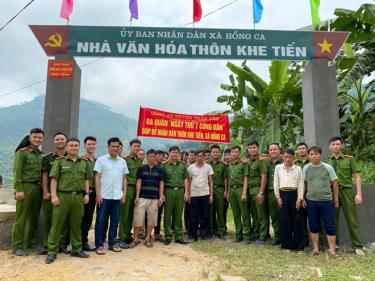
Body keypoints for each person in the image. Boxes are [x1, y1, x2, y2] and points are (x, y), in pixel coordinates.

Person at [45, 138, 92, 264]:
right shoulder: (59, 162)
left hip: (78, 197)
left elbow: (87, 179)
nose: (74, 147)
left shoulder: (84, 162)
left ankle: (76, 249)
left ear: (79, 147)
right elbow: (54, 179)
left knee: (76, 225)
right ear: (66, 147)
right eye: (71, 145)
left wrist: (87, 193)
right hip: (62, 196)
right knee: (57, 224)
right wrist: (54, 196)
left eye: (76, 145)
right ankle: (52, 251)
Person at [325, 136, 364, 255]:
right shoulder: (326, 161)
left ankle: (357, 245)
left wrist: (359, 193)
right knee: (332, 219)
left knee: (352, 219)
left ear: (342, 146)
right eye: (333, 144)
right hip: (331, 193)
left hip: (346, 191)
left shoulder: (349, 160)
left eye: (338, 144)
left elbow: (357, 176)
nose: (336, 146)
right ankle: (334, 244)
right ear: (329, 147)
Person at [303, 146, 340, 258]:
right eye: (311, 154)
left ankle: (332, 250)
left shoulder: (328, 167)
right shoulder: (306, 168)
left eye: (316, 154)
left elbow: (335, 183)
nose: (314, 156)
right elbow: (304, 184)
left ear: (320, 155)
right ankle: (315, 249)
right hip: (311, 201)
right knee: (313, 225)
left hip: (327, 201)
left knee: (330, 225)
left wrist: (336, 199)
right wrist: (303, 198)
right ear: (308, 156)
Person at [12, 128, 44, 256]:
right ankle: (17, 246)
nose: (37, 139)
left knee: (34, 218)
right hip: (25, 187)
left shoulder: (41, 155)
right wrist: (18, 189)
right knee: (21, 218)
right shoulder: (22, 153)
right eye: (35, 137)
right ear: (30, 138)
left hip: (37, 188)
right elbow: (17, 172)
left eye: (40, 137)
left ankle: (30, 243)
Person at [94, 137, 128, 255]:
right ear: (108, 147)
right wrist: (98, 194)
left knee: (115, 221)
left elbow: (124, 179)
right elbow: (97, 177)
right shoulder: (101, 160)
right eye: (112, 146)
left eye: (117, 146)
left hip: (117, 197)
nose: (115, 148)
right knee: (100, 221)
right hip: (104, 197)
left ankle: (112, 243)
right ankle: (99, 245)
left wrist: (124, 194)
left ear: (119, 147)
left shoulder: (123, 162)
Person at [41, 132, 67, 255]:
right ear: (54, 142)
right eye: (57, 139)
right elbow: (45, 176)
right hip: (51, 194)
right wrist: (46, 192)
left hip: (65, 194)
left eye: (62, 139)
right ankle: (48, 244)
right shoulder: (47, 158)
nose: (60, 141)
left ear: (66, 141)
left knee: (64, 220)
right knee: (49, 219)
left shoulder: (72, 156)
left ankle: (62, 244)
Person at [131, 149, 165, 248]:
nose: (152, 158)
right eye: (150, 156)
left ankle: (147, 238)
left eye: (154, 157)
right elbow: (138, 182)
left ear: (156, 157)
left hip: (154, 198)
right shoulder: (141, 168)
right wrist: (137, 196)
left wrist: (161, 196)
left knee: (151, 220)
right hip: (142, 197)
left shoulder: (159, 170)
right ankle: (135, 238)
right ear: (147, 157)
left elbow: (161, 183)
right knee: (138, 218)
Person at [274, 149, 304, 251]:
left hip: (294, 194)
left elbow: (300, 184)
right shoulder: (278, 168)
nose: (287, 159)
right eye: (286, 157)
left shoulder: (298, 169)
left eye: (290, 157)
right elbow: (276, 183)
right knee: (284, 220)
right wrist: (278, 197)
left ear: (293, 157)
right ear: (282, 157)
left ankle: (298, 246)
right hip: (282, 194)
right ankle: (286, 245)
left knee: (297, 220)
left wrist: (299, 199)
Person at [162, 146, 189, 245]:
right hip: (168, 191)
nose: (175, 154)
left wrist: (186, 192)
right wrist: (162, 194)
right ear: (169, 153)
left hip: (180, 191)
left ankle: (178, 236)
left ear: (179, 154)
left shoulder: (183, 165)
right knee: (168, 214)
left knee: (178, 214)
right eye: (173, 152)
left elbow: (186, 179)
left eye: (176, 152)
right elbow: (162, 181)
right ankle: (168, 236)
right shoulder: (164, 166)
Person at [118, 139, 142, 248]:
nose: (136, 148)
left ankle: (128, 234)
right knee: (124, 214)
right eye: (135, 146)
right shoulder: (125, 160)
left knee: (131, 214)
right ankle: (122, 238)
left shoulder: (139, 161)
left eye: (138, 146)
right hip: (127, 188)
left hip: (136, 189)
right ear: (130, 147)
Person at [187, 150, 214, 241]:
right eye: (198, 156)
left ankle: (205, 234)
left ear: (204, 157)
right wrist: (188, 193)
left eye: (201, 156)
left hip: (205, 194)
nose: (200, 158)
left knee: (205, 215)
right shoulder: (191, 167)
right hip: (194, 194)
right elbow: (188, 181)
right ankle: (193, 235)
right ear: (195, 157)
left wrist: (211, 195)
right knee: (193, 216)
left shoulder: (208, 167)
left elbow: (211, 181)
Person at [228, 146, 251, 243]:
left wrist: (244, 192)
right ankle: (238, 234)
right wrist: (228, 192)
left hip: (240, 189)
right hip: (232, 190)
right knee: (235, 213)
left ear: (239, 153)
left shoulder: (243, 164)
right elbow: (229, 179)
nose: (234, 153)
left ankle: (247, 235)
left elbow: (246, 178)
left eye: (236, 152)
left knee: (244, 213)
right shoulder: (230, 165)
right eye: (232, 152)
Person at [246, 141, 268, 244]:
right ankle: (255, 234)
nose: (252, 149)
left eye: (254, 147)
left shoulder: (261, 161)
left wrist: (261, 192)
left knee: (261, 215)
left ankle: (263, 236)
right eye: (250, 148)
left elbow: (264, 176)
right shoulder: (249, 162)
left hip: (258, 190)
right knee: (254, 214)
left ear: (258, 148)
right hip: (250, 190)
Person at [208, 145, 228, 239]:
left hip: (220, 190)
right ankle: (211, 229)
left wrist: (226, 191)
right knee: (210, 210)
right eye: (213, 152)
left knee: (220, 210)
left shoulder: (223, 165)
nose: (215, 153)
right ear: (211, 153)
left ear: (219, 153)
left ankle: (221, 230)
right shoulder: (206, 164)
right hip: (208, 190)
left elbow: (226, 178)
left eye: (217, 152)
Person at [80, 136, 97, 251]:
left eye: (93, 144)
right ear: (85, 145)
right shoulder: (81, 160)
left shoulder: (98, 160)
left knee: (88, 218)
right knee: (79, 217)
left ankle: (84, 241)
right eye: (89, 144)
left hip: (94, 192)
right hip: (83, 193)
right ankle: (77, 242)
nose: (91, 146)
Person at [265, 143, 283, 245]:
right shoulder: (266, 163)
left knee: (283, 215)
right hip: (270, 193)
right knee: (274, 216)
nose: (273, 151)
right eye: (271, 150)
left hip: (282, 192)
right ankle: (277, 237)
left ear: (279, 151)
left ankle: (285, 236)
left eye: (275, 149)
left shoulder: (284, 162)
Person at [294, 142, 310, 246]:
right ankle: (304, 241)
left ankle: (320, 241)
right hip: (299, 194)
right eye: (299, 148)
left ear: (307, 149)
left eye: (303, 148)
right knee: (301, 219)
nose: (301, 150)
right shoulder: (294, 164)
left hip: (311, 193)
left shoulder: (313, 161)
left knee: (315, 219)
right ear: (297, 151)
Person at [154, 150, 167, 242]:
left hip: (160, 194)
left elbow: (163, 182)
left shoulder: (164, 167)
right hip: (151, 194)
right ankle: (146, 232)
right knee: (149, 214)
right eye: (159, 156)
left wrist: (162, 195)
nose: (161, 158)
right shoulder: (150, 166)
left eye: (163, 156)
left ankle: (157, 233)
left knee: (159, 214)